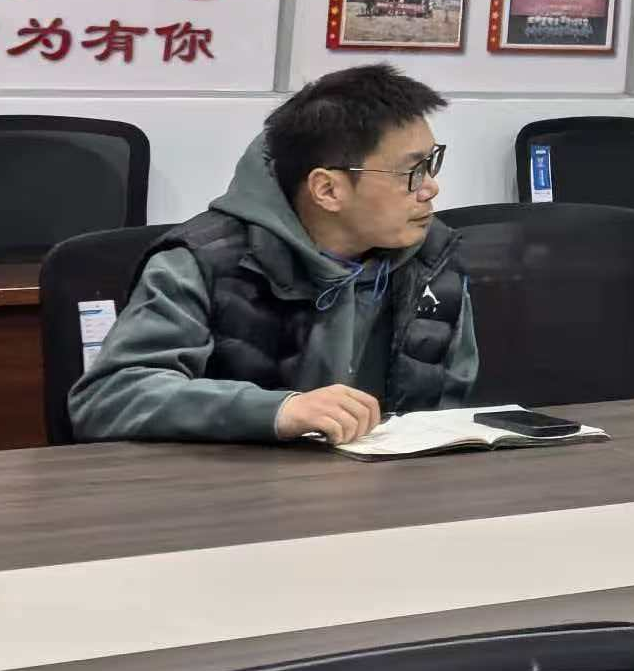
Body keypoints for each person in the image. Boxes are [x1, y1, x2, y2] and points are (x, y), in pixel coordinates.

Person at [72, 65, 475, 444]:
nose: (431, 188)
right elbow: (109, 399)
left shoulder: (432, 258)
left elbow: (454, 404)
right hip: (234, 486)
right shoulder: (206, 262)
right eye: (412, 172)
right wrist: (278, 411)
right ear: (327, 190)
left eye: (432, 163)